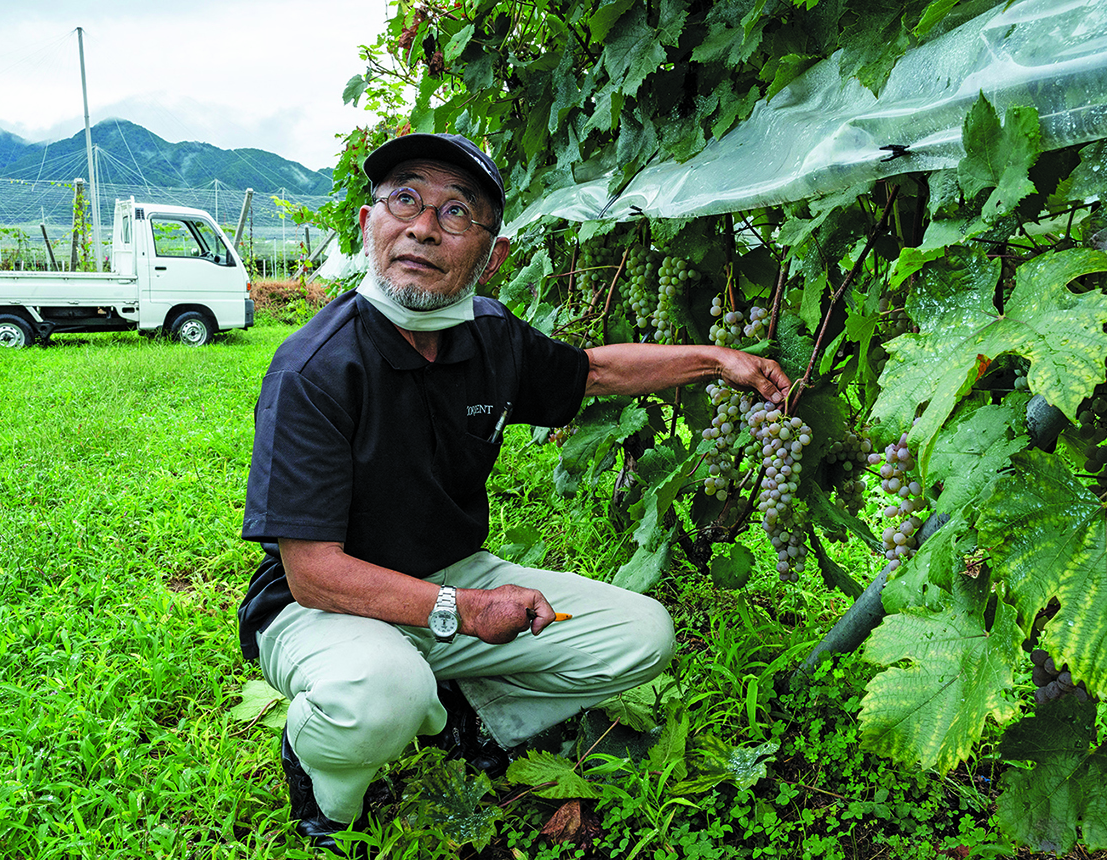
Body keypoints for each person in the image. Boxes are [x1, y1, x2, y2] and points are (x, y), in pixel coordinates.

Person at [238, 133, 791, 853]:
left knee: (641, 636)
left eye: (456, 212)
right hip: (320, 607)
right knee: (382, 693)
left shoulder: (487, 336)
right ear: (371, 223)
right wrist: (466, 611)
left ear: (491, 255)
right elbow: (313, 571)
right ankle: (324, 789)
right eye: (404, 198)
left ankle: (471, 722)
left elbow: (592, 373)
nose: (424, 226)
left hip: (452, 577)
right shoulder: (313, 368)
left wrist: (716, 359)